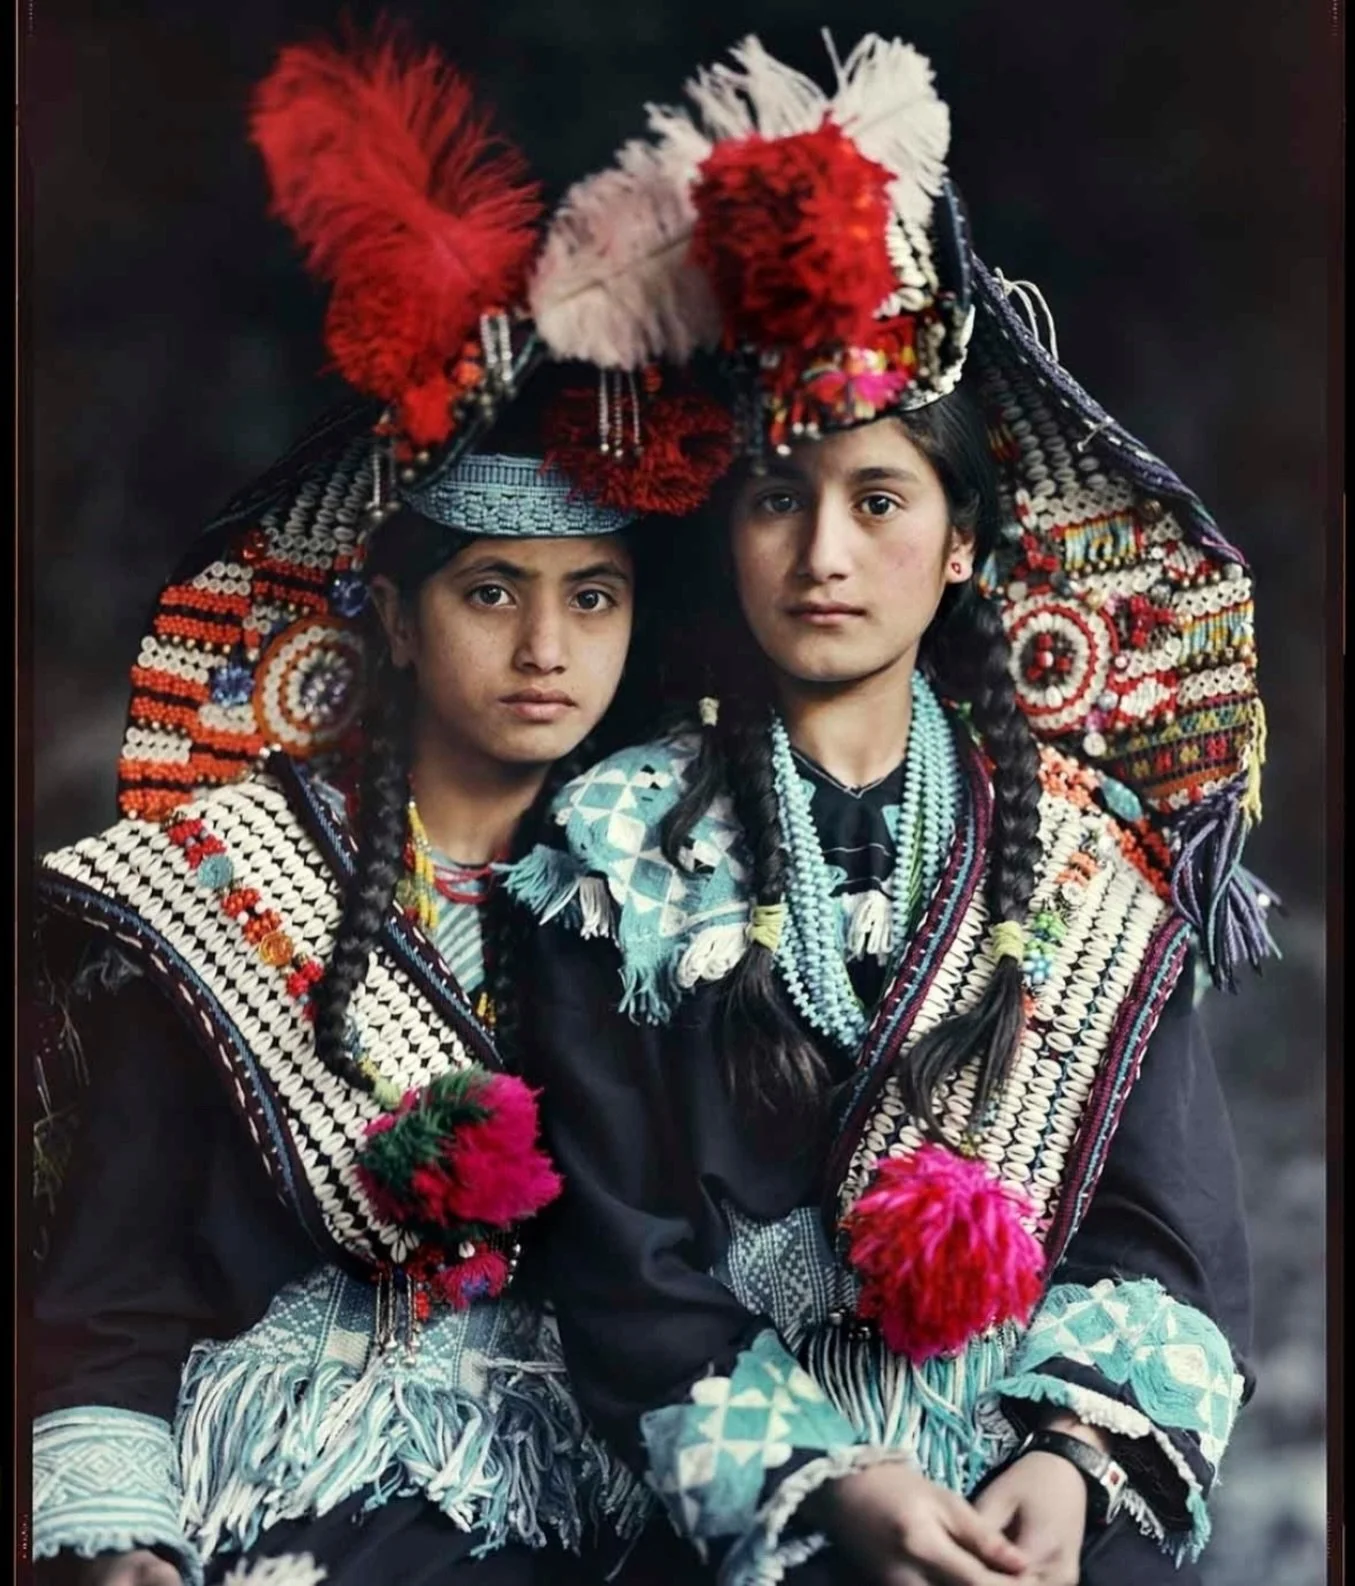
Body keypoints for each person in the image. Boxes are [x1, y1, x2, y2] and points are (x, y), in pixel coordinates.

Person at [507, 32, 1275, 1586]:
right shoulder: (617, 852)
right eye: (777, 500)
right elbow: (620, 1256)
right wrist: (835, 1488)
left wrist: (1066, 1464)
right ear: (728, 535)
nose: (823, 556)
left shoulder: (1089, 857)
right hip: (749, 1480)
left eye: (877, 501)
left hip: (1027, 1461)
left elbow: (1163, 1230)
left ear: (963, 542)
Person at [28, 23, 732, 1586]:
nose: (545, 649)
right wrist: (122, 1543)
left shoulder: (692, 897)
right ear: (398, 621)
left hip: (632, 1506)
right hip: (300, 1502)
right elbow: (118, 1290)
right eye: (490, 592)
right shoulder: (226, 888)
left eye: (592, 596)